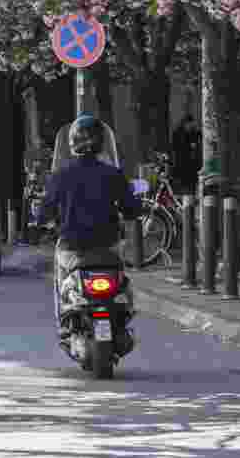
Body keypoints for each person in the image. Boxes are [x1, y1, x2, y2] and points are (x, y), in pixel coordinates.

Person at [38, 113, 143, 331]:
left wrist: (42, 224)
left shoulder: (61, 175)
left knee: (61, 284)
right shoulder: (113, 174)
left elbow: (45, 210)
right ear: (102, 143)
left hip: (71, 245)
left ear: (72, 143)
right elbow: (131, 209)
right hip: (108, 245)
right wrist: (131, 212)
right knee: (121, 280)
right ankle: (122, 315)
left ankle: (65, 322)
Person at [170, 114, 202, 193]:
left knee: (191, 187)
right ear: (185, 123)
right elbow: (177, 148)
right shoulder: (178, 133)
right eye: (189, 125)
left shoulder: (192, 132)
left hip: (191, 165)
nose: (190, 127)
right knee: (185, 187)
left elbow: (199, 135)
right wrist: (190, 145)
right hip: (182, 165)